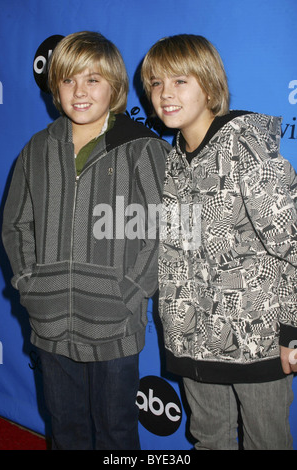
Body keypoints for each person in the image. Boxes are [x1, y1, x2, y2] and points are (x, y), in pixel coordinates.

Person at [2, 31, 171, 450]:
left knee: (116, 433)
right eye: (68, 80)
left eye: (93, 79)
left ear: (113, 86)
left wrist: (129, 292)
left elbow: (163, 230)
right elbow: (15, 225)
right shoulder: (37, 149)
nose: (80, 91)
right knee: (65, 429)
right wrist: (29, 284)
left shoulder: (141, 147)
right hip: (50, 323)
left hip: (116, 324)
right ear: (55, 88)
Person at [141, 34, 297, 450]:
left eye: (180, 81)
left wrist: (292, 330)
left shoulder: (243, 144)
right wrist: (177, 327)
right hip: (192, 339)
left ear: (209, 86)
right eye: (156, 83)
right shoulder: (172, 159)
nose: (165, 94)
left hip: (257, 340)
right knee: (208, 439)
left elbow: (292, 242)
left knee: (268, 442)